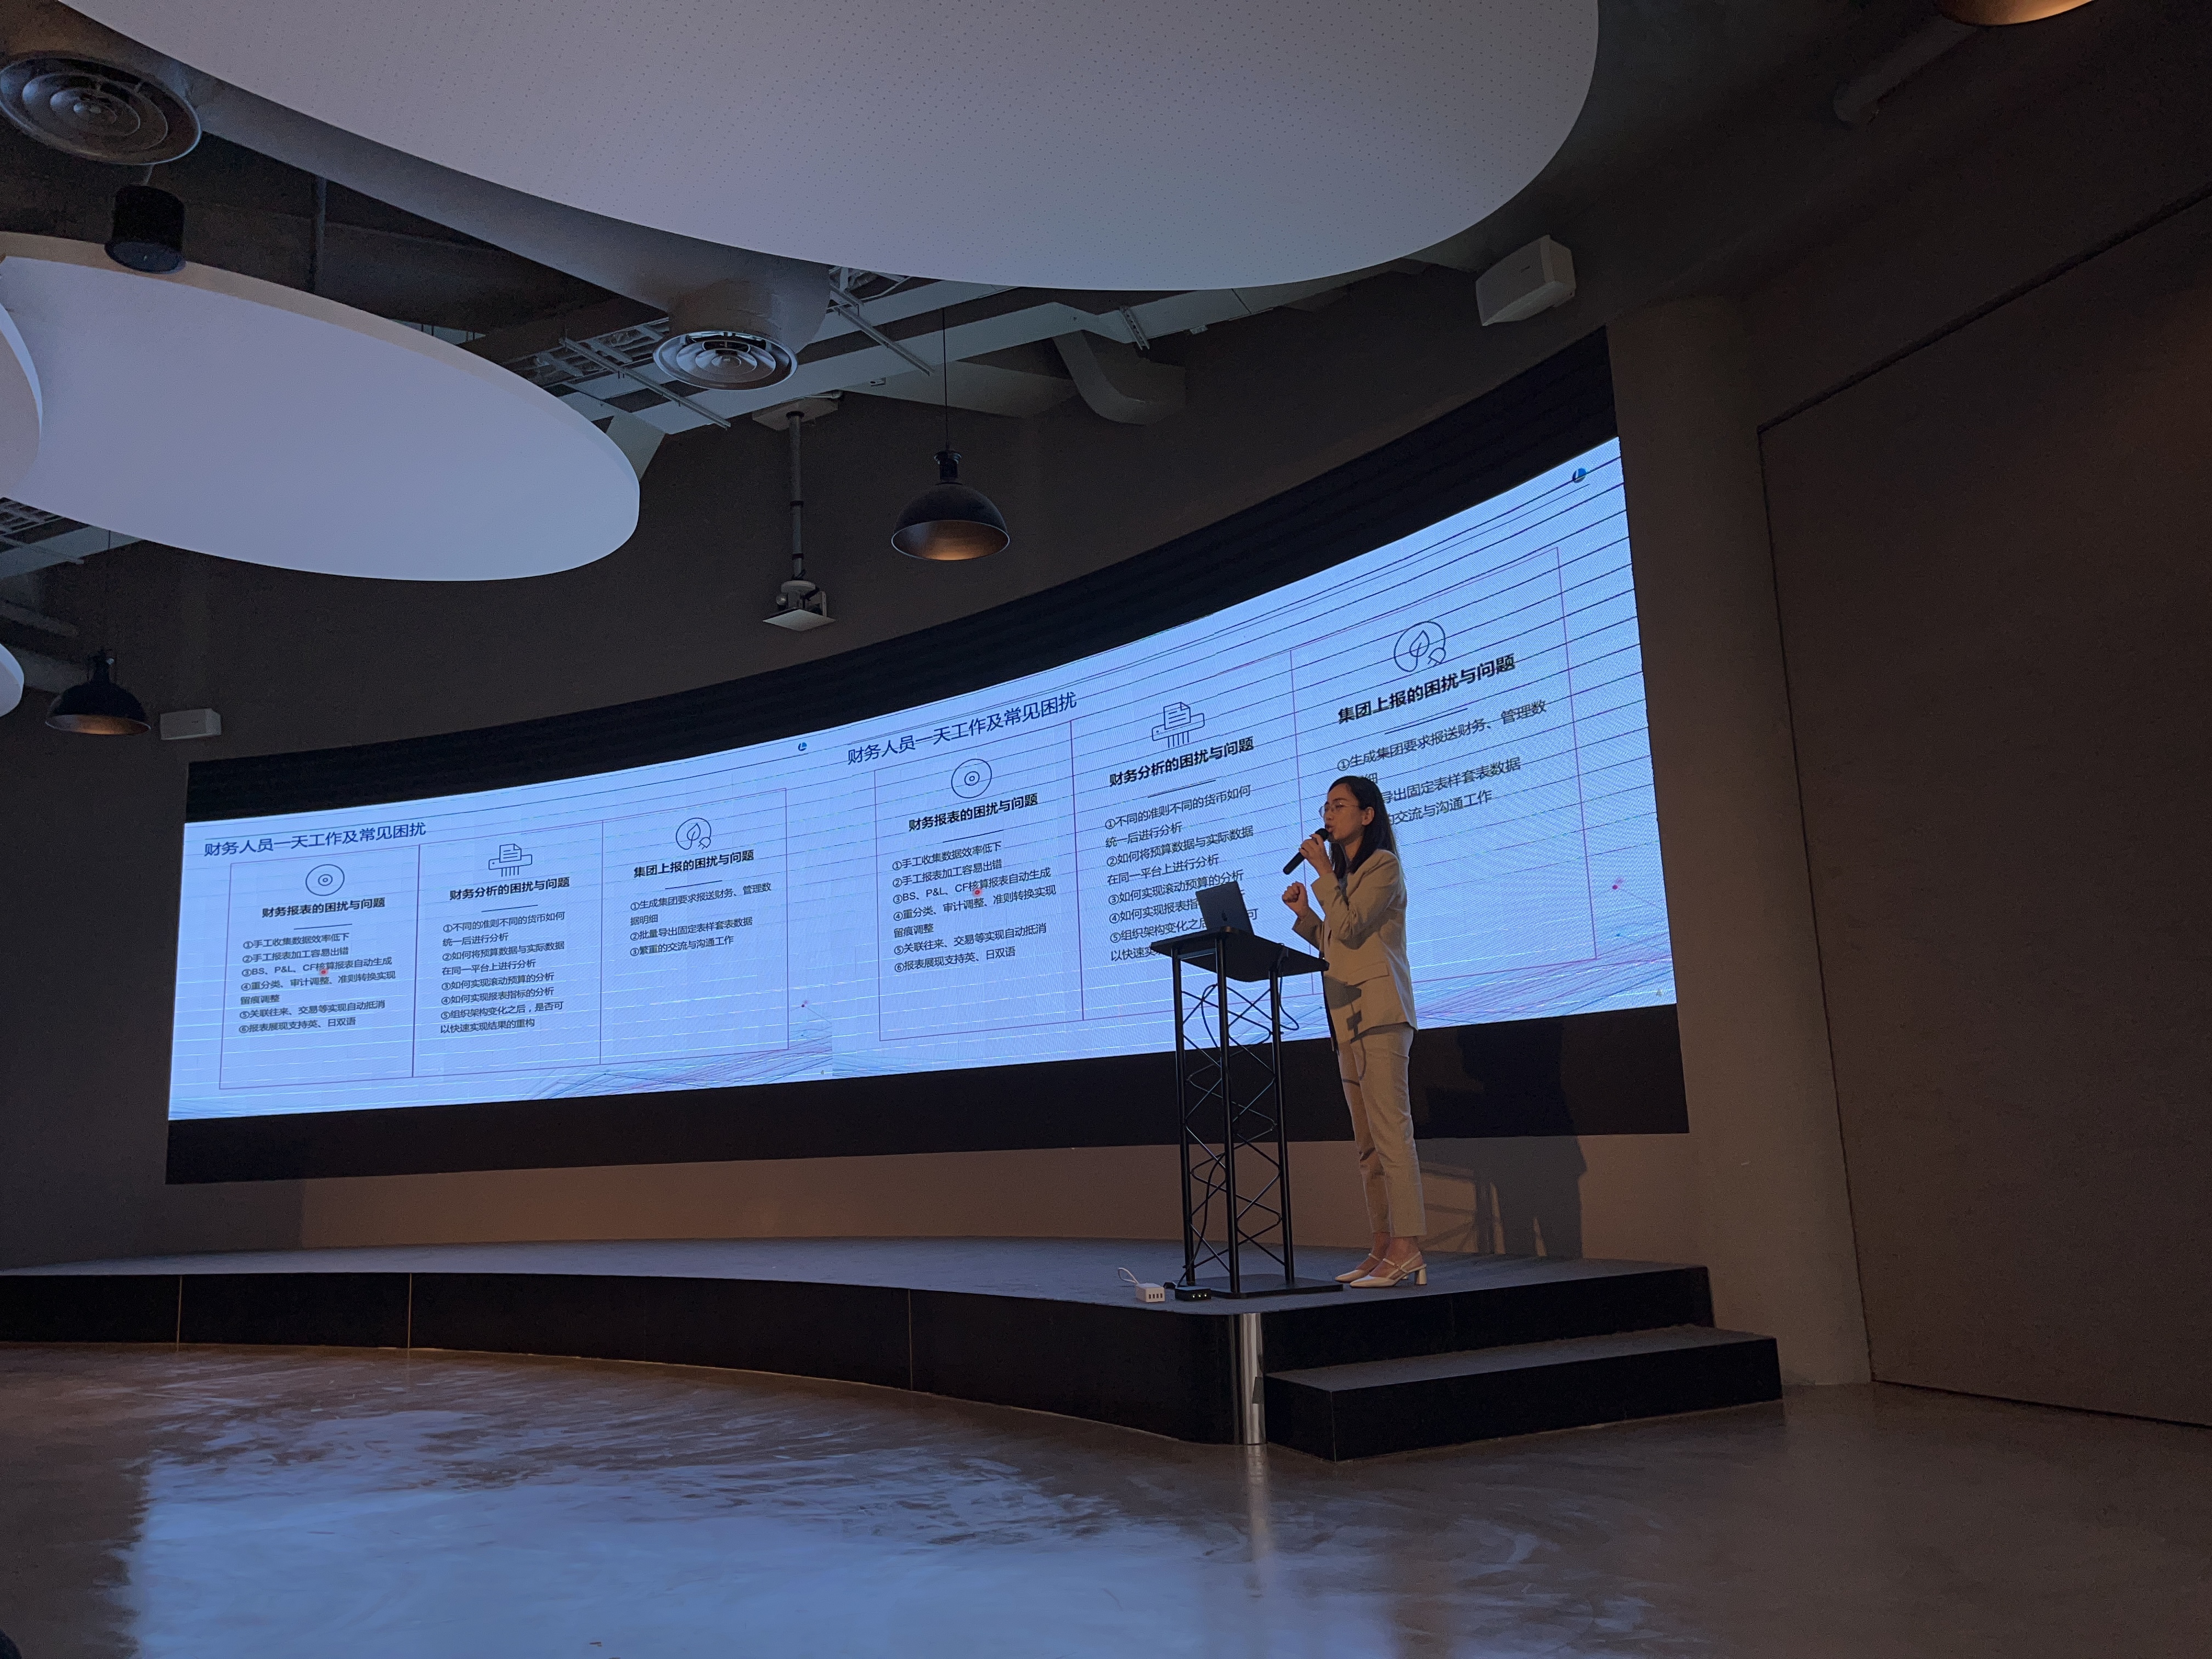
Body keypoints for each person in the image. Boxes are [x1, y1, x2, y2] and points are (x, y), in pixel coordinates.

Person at [1281, 774, 1424, 1287]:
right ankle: (1382, 1245)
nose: (1328, 815)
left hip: (1381, 1013)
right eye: (1325, 807)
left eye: (1339, 806)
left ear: (1367, 815)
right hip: (1346, 1018)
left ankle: (1407, 1248)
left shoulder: (1383, 866)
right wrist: (1305, 917)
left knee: (1391, 1135)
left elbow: (1351, 925)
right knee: (1367, 1147)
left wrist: (1322, 872)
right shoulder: (1342, 880)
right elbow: (1335, 940)